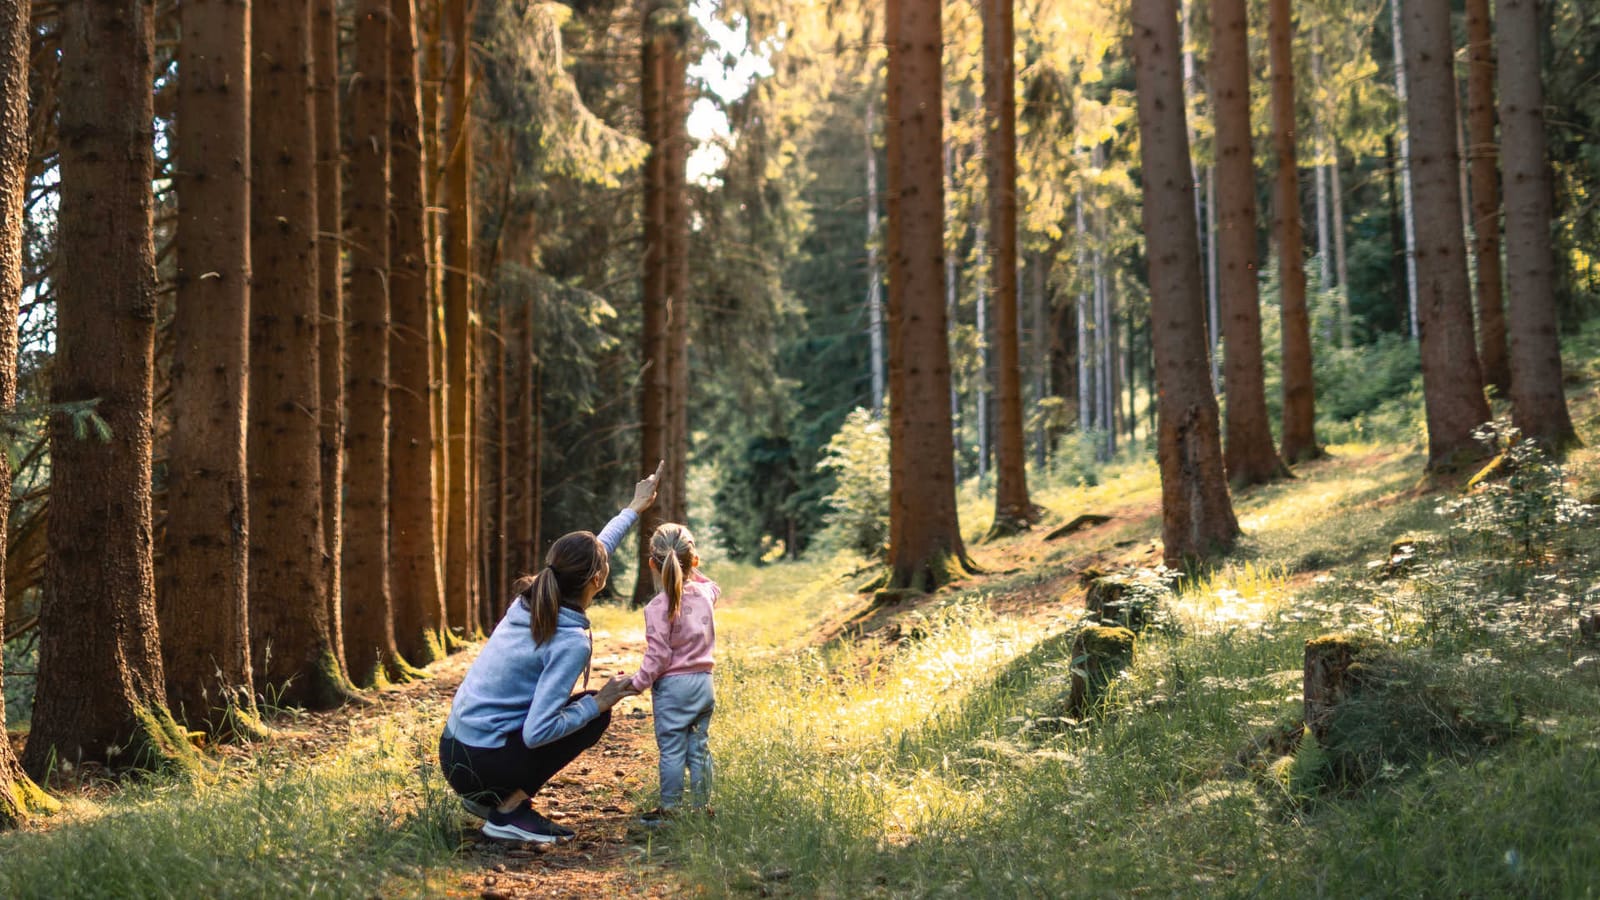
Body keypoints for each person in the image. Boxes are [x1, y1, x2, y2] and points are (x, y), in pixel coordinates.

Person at [439, 463, 663, 843]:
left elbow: (597, 550)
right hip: (479, 764)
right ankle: (506, 813)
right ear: (597, 580)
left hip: (455, 751)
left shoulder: (529, 599)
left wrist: (633, 508)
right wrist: (601, 702)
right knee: (592, 714)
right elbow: (537, 731)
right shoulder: (569, 642)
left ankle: (491, 799)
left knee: (584, 708)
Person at [626, 522, 720, 820]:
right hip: (704, 685)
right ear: (694, 561)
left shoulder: (657, 607)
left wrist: (638, 683)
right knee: (699, 748)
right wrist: (692, 568)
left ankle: (670, 809)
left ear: (652, 564)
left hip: (673, 690)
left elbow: (658, 655)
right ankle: (702, 807)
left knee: (672, 751)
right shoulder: (706, 595)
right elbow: (712, 585)